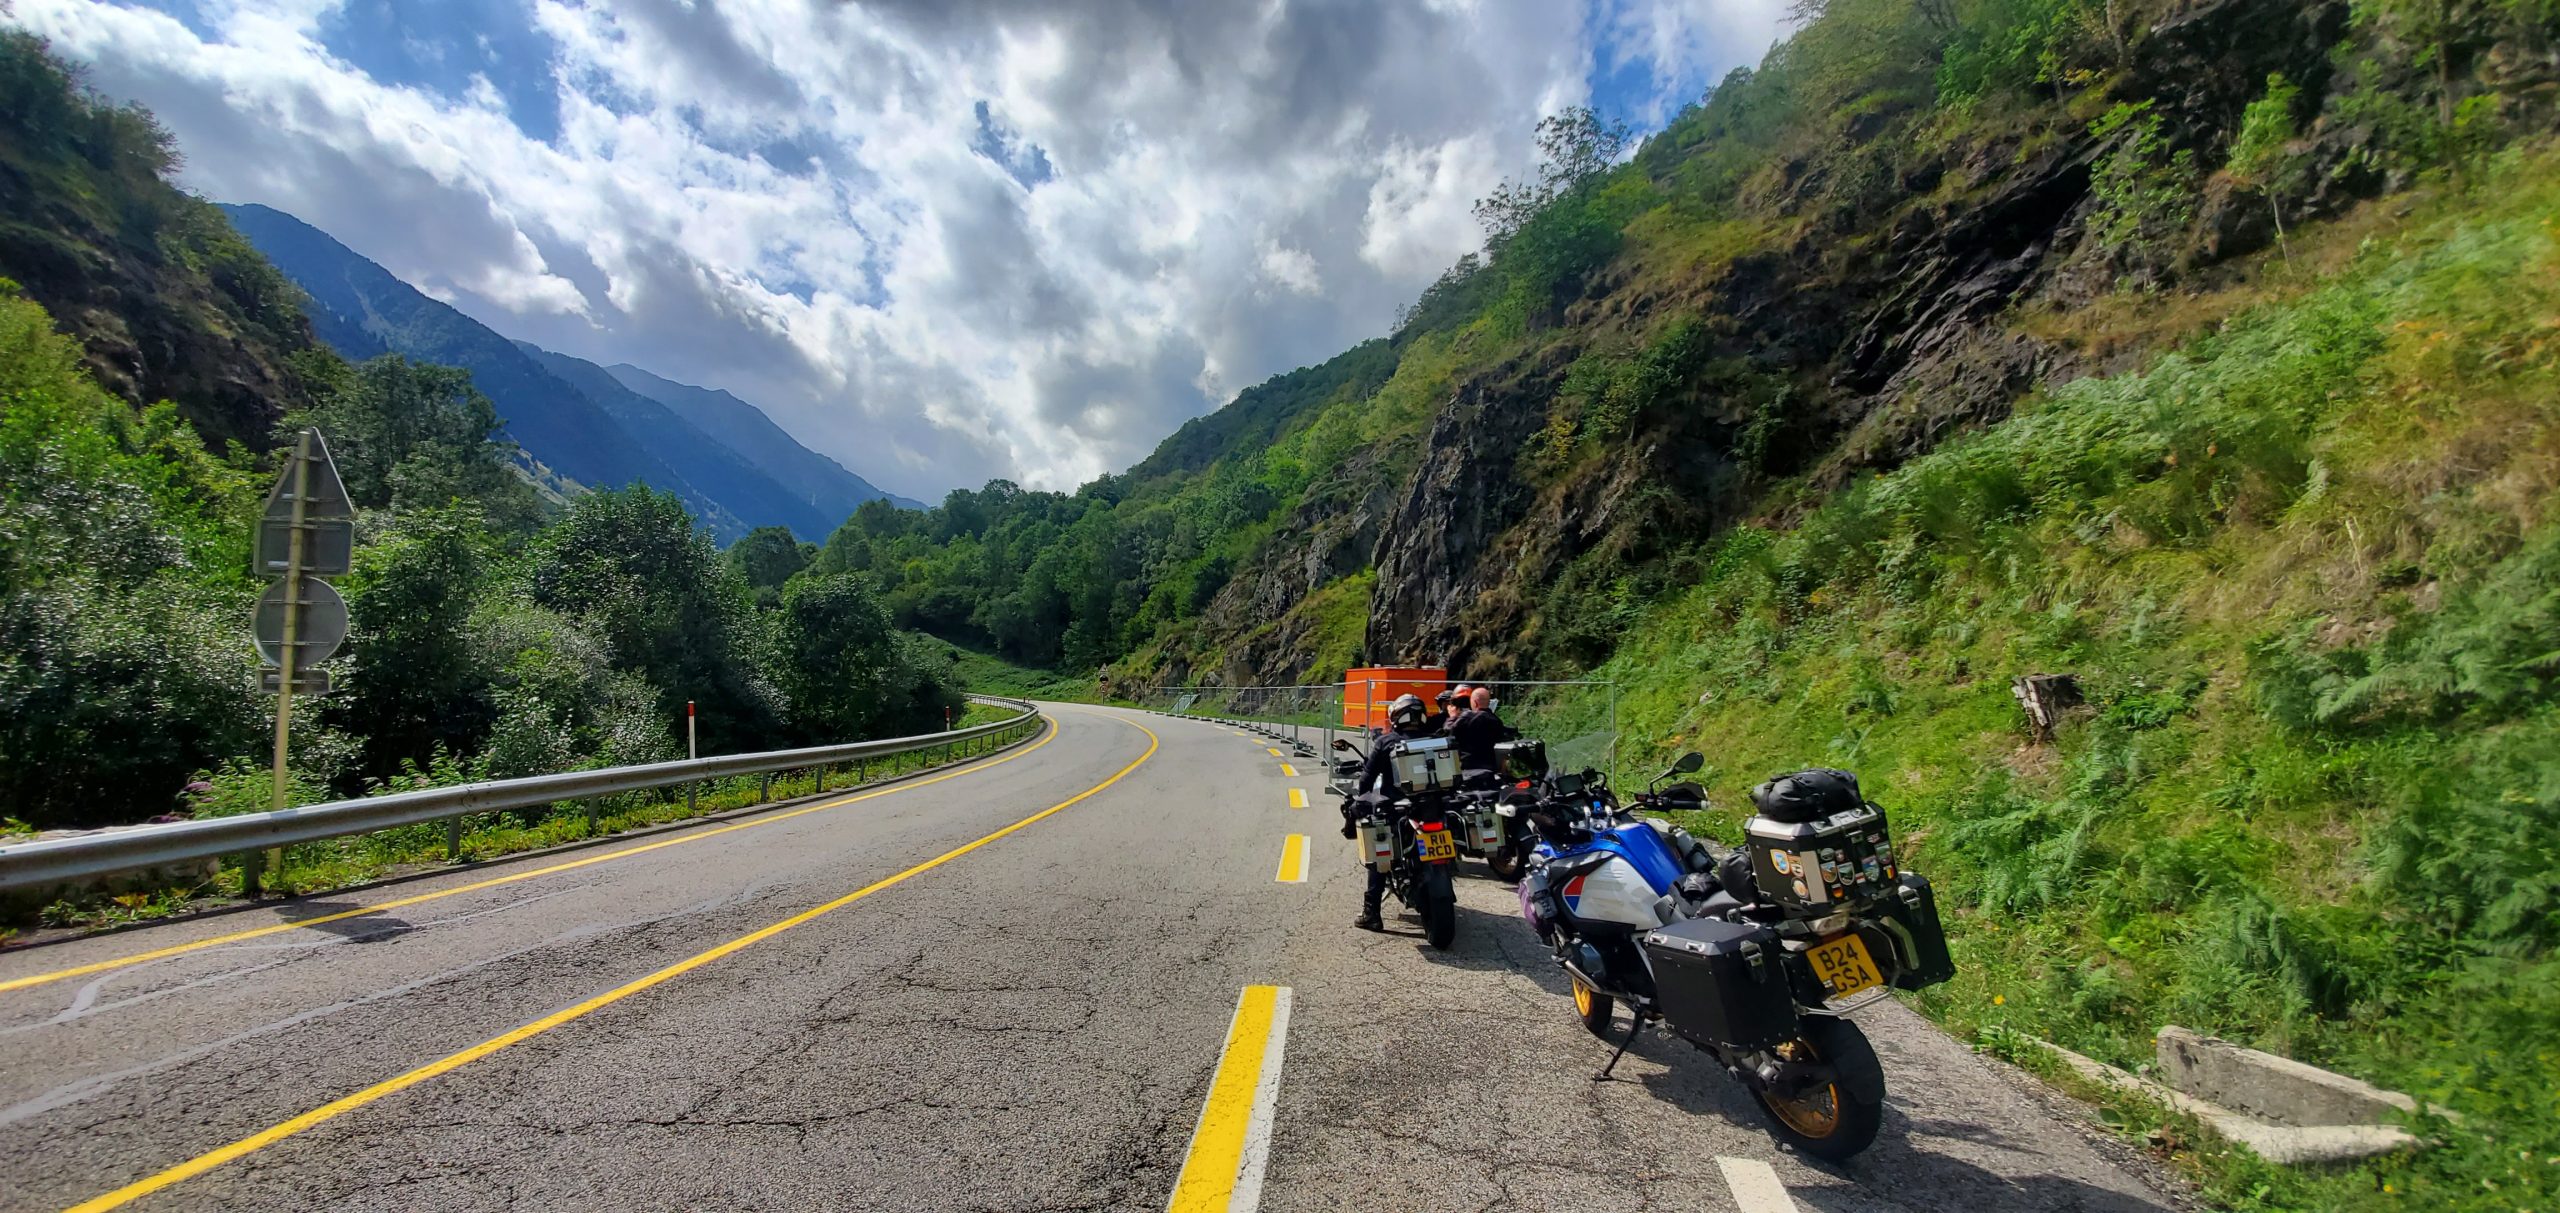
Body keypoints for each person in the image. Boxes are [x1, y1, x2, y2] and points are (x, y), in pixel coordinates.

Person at [1348, 692, 1436, 931]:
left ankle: (1372, 912)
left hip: (1397, 810)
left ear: (1396, 716)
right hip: (1431, 807)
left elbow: (1367, 779)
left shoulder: (1386, 742)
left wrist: (1361, 799)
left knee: (1380, 854)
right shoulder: (1434, 739)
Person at [1446, 685, 1511, 777]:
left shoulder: (1466, 718)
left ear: (1475, 703)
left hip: (1468, 769)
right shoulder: (1496, 721)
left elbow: (1448, 733)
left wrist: (1452, 716)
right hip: (1489, 767)